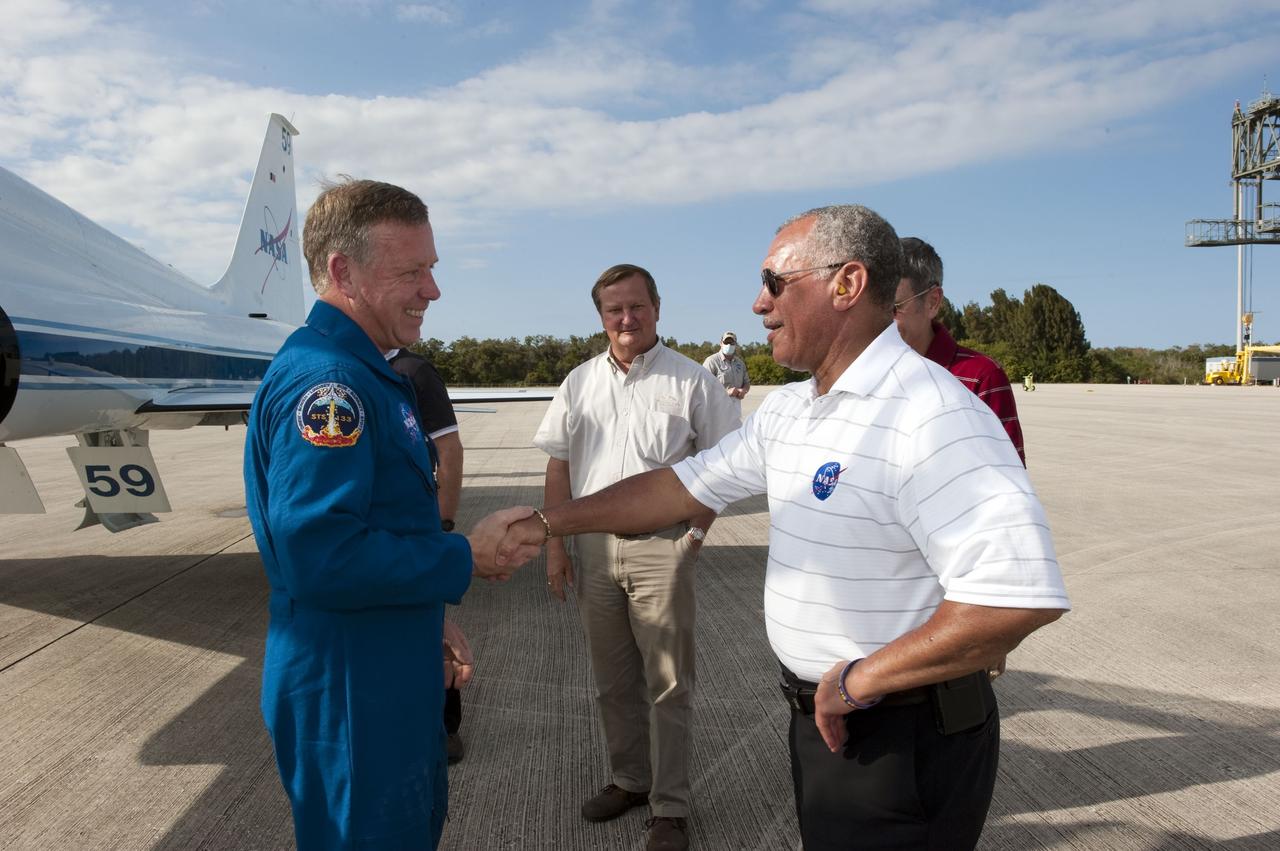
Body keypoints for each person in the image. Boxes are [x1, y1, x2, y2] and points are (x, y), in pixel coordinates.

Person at [500, 205, 1070, 850]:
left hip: (901, 730)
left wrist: (859, 682)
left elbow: (1016, 597)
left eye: (774, 282)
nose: (757, 303)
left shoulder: (931, 413)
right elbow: (677, 486)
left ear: (846, 285)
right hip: (830, 720)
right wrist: (545, 524)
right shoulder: (794, 410)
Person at [243, 178, 535, 850]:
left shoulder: (369, 374)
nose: (432, 290)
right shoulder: (330, 385)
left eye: (430, 269)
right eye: (413, 271)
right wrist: (465, 556)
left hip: (382, 671)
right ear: (343, 271)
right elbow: (323, 558)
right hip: (350, 695)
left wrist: (428, 612)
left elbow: (381, 525)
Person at [532, 263, 740, 851]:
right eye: (613, 309)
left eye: (636, 307)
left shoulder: (693, 381)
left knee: (669, 683)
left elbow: (727, 465)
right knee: (612, 681)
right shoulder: (578, 383)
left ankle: (669, 807)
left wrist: (692, 540)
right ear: (601, 316)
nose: (626, 319)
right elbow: (558, 464)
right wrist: (556, 547)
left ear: (657, 308)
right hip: (593, 551)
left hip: (662, 548)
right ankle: (629, 780)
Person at [389, 347, 468, 764]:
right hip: (384, 530)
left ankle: (447, 726)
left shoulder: (413, 371)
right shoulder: (354, 364)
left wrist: (444, 523)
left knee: (434, 630)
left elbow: (449, 450)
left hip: (420, 526)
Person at [893, 237, 1025, 464]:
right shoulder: (861, 374)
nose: (880, 323)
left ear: (932, 302)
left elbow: (1010, 479)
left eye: (893, 308)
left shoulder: (981, 378)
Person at [701, 330, 751, 416]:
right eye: (726, 342)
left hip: (735, 410)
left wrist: (744, 391)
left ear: (736, 345)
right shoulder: (711, 361)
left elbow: (746, 382)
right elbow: (703, 387)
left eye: (732, 343)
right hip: (716, 411)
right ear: (721, 343)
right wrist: (726, 392)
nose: (729, 345)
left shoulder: (740, 363)